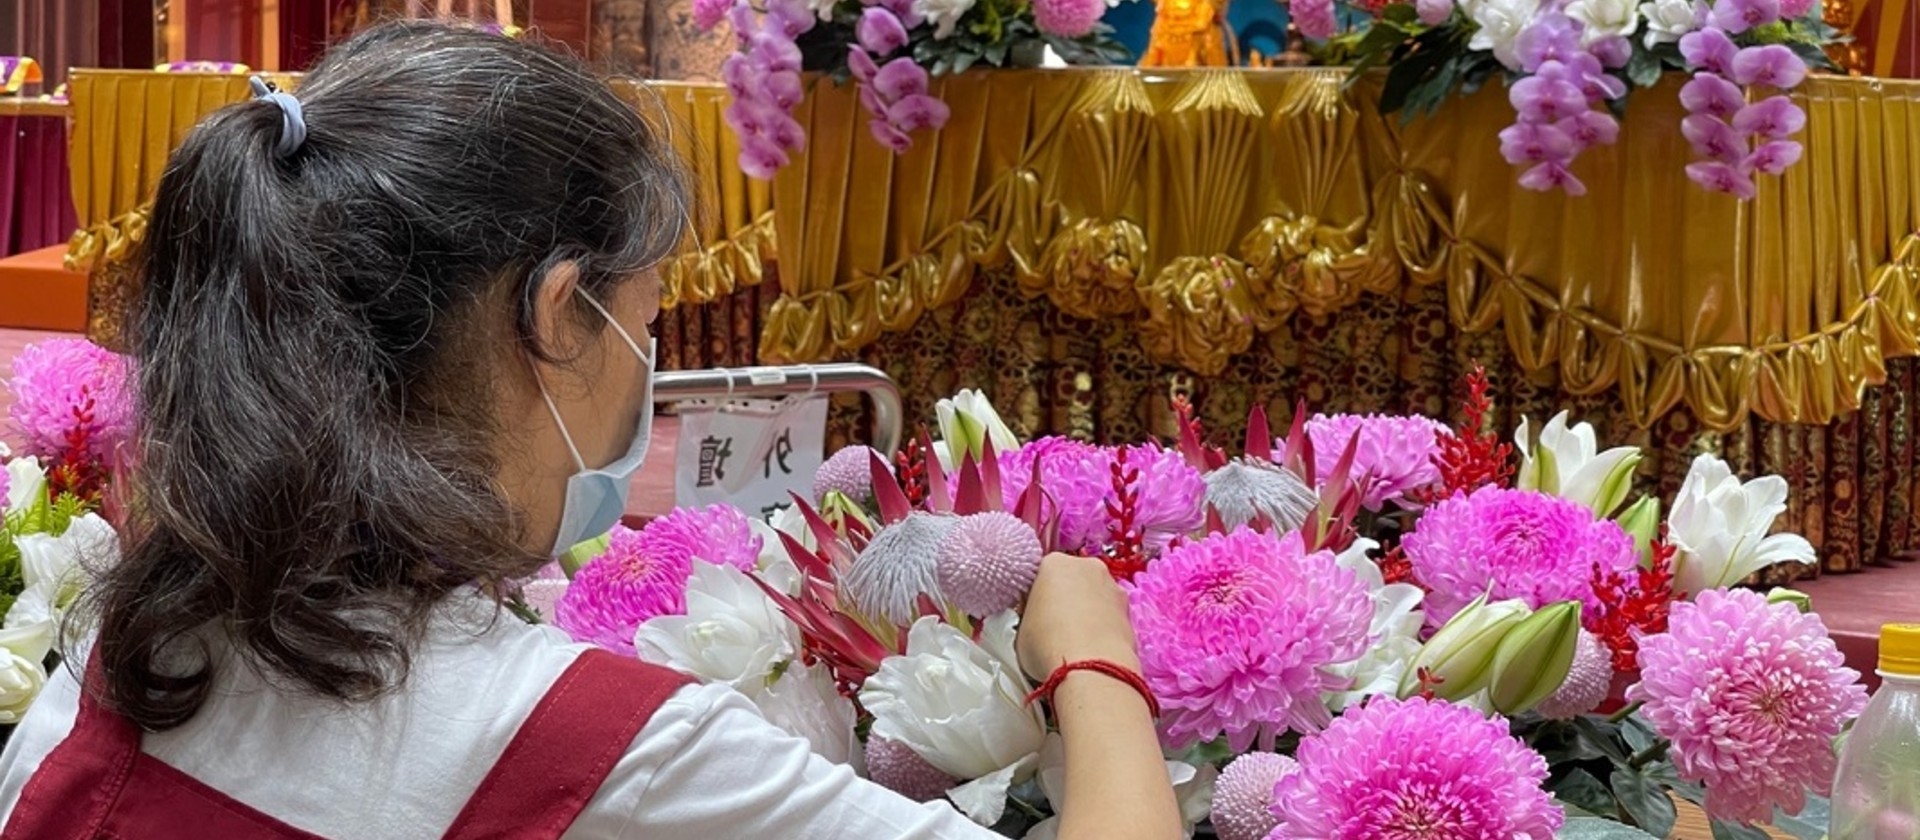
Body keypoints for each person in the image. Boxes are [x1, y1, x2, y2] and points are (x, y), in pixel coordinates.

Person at [0, 20, 1181, 840]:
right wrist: (1094, 660)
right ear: (560, 313)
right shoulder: (600, 755)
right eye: (649, 317)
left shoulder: (116, 649)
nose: (649, 363)